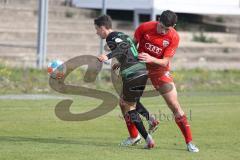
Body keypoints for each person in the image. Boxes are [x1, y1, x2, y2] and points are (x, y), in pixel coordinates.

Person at [134, 10, 199, 152]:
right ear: (158, 20)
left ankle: (189, 142)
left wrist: (151, 59)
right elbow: (132, 45)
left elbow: (164, 62)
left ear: (173, 26)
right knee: (127, 102)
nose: (163, 31)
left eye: (167, 29)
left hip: (159, 71)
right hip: (139, 67)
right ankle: (134, 137)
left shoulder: (174, 37)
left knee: (174, 105)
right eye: (161, 26)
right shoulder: (144, 27)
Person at [94, 15, 157, 148]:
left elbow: (122, 48)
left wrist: (107, 55)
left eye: (97, 29)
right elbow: (129, 48)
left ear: (102, 28)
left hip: (132, 73)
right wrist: (121, 63)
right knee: (130, 101)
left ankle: (147, 139)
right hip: (142, 71)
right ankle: (151, 119)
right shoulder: (122, 34)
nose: (96, 32)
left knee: (127, 105)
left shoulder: (110, 37)